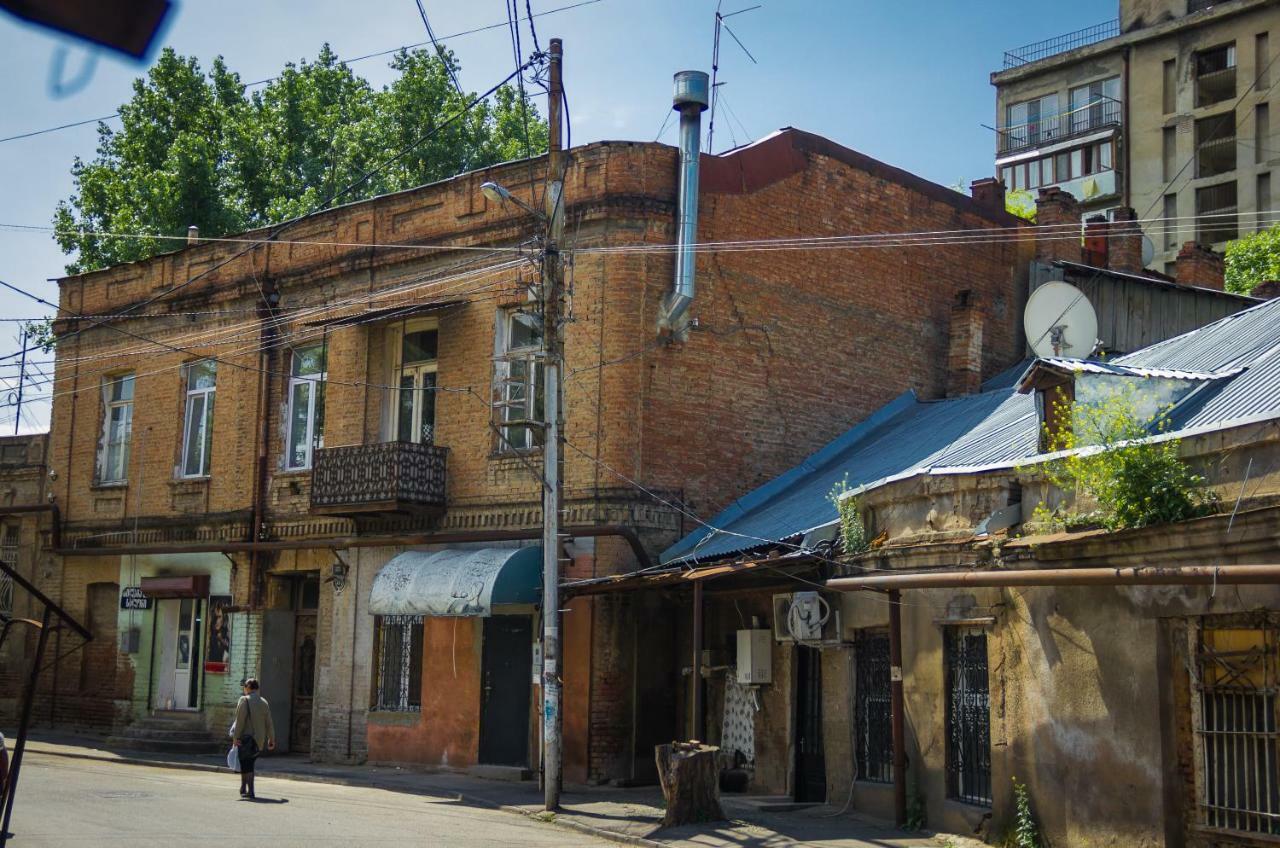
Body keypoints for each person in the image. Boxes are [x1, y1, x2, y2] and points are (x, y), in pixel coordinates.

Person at [232, 678, 276, 799]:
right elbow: (269, 723)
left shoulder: (244, 700)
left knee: (245, 764)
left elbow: (240, 721)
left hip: (245, 739)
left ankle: (249, 789)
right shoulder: (264, 702)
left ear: (248, 688)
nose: (244, 689)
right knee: (249, 763)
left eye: (244, 687)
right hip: (259, 740)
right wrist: (271, 739)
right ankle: (244, 788)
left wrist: (235, 737)